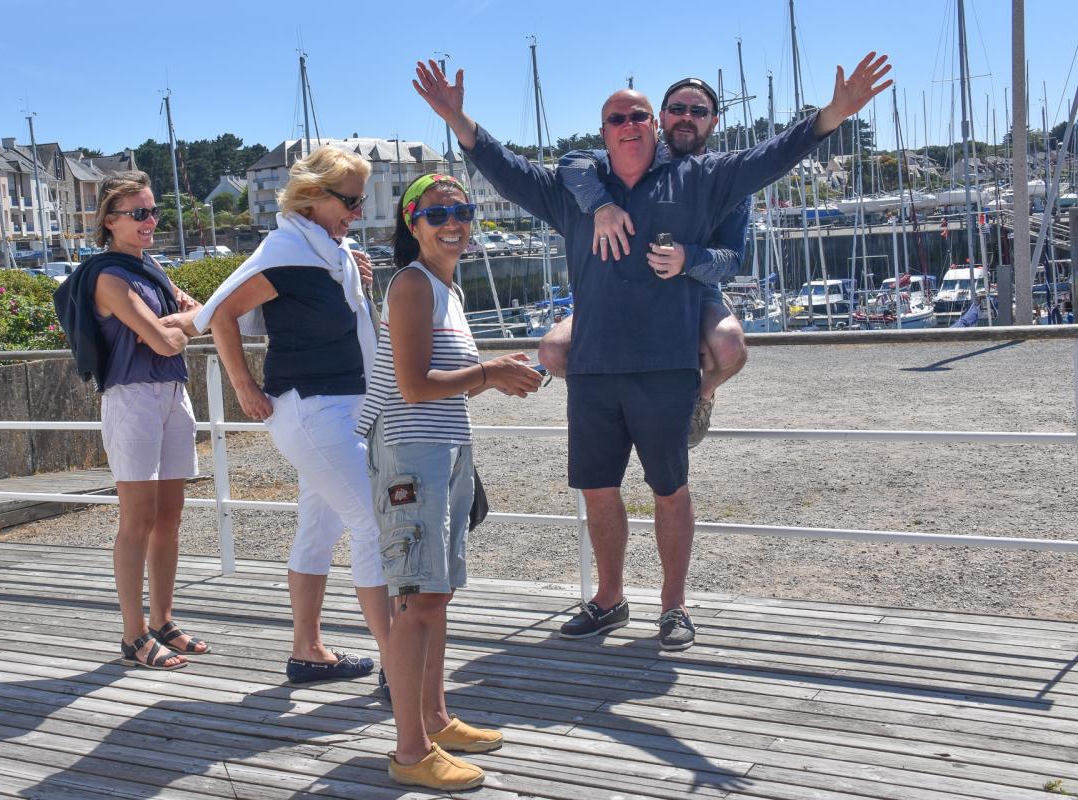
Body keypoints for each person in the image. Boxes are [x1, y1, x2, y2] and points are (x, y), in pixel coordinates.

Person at [414, 54, 891, 651]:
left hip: (666, 366)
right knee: (597, 490)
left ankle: (673, 607)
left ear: (654, 125)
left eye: (639, 115)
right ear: (604, 130)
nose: (630, 125)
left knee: (670, 490)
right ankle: (609, 599)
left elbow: (771, 156)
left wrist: (831, 116)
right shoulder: (576, 193)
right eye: (618, 118)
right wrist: (459, 122)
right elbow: (509, 170)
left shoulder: (701, 179)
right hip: (594, 367)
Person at [355, 173, 542, 790]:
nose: (453, 222)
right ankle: (411, 752)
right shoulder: (412, 285)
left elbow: (437, 385)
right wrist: (489, 372)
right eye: (437, 214)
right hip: (411, 456)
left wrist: (493, 377)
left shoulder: (446, 289)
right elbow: (413, 387)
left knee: (435, 594)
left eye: (461, 211)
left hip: (441, 450)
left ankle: (434, 717)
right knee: (417, 600)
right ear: (412, 224)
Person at [194, 146, 390, 685]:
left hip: (343, 406)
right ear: (313, 196)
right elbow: (221, 314)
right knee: (374, 522)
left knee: (320, 528)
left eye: (361, 200)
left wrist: (351, 273)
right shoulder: (286, 252)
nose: (357, 211)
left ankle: (308, 651)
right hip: (311, 409)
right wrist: (244, 387)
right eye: (350, 201)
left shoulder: (331, 253)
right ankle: (398, 663)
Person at [53, 170, 208, 670]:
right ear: (110, 220)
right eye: (139, 213)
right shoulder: (109, 276)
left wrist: (177, 324)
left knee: (170, 517)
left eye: (153, 211)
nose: (150, 220)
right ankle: (133, 634)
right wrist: (178, 327)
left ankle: (163, 621)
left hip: (173, 393)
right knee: (137, 520)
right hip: (132, 398)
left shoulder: (151, 267)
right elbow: (165, 340)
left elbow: (196, 316)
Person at [545, 77, 750, 447]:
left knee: (730, 345)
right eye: (677, 109)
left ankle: (701, 397)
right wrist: (601, 205)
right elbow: (573, 162)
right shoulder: (637, 157)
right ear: (661, 118)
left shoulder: (726, 179)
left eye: (698, 111)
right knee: (552, 351)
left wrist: (689, 259)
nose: (687, 117)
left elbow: (732, 258)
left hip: (695, 290)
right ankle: (603, 402)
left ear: (714, 120)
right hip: (617, 293)